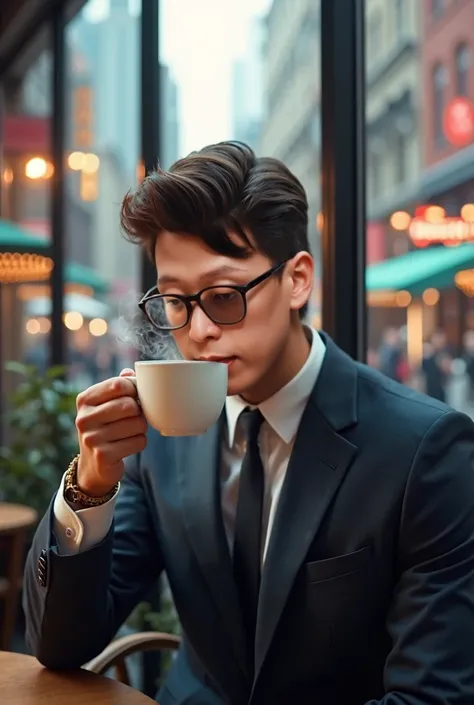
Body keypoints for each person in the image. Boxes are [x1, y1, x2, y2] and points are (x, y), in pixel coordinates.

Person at [23, 142, 474, 705]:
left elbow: (431, 696)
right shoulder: (161, 434)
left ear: (298, 280)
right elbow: (59, 643)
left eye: (223, 295)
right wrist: (90, 485)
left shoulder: (423, 450)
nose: (199, 330)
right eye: (175, 302)